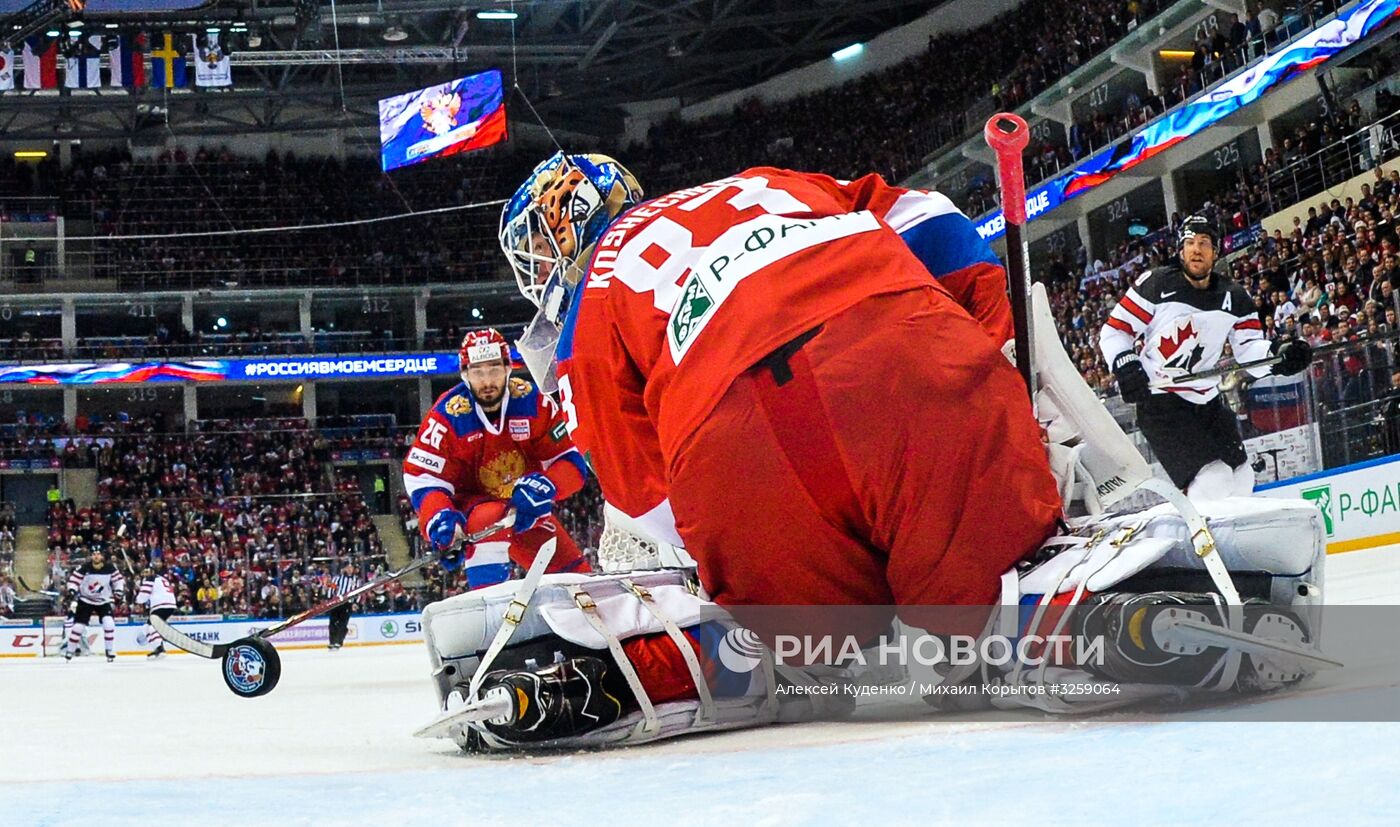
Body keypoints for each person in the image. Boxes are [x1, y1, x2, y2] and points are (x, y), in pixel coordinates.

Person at [470, 153, 1060, 739]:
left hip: (740, 448)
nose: (541, 268)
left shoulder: (590, 302)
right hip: (915, 361)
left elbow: (641, 495)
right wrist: (992, 343)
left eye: (541, 249)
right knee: (979, 603)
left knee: (808, 653)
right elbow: (934, 220)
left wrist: (719, 574)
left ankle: (812, 657)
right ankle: (1021, 614)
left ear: (573, 223)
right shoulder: (768, 180)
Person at [1100, 214, 1312, 500]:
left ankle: (1232, 543)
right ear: (1180, 250)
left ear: (1216, 252)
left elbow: (1249, 350)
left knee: (1241, 476)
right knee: (1213, 478)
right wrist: (1125, 364)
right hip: (1161, 401)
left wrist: (1278, 355)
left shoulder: (1234, 296)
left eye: (1203, 243)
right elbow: (1114, 332)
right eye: (1189, 243)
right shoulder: (1157, 283)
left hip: (1206, 401)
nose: (1196, 249)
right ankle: (1201, 544)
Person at [402, 328, 592, 591]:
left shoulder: (533, 403)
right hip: (476, 512)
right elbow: (423, 478)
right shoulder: (446, 417)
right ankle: (488, 604)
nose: (487, 380)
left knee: (580, 581)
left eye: (494, 369)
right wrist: (440, 517)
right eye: (478, 372)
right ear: (465, 374)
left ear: (508, 368)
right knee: (487, 516)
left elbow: (571, 462)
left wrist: (547, 486)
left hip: (525, 509)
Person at [65, 550, 125, 662]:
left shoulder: (110, 567)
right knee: (78, 627)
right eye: (94, 554)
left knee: (109, 624)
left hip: (103, 600)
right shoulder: (84, 567)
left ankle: (109, 650)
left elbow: (119, 581)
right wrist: (72, 589)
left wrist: (118, 591)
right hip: (85, 600)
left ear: (102, 556)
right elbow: (73, 580)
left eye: (98, 554)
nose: (96, 556)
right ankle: (69, 651)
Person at [136, 561, 177, 658]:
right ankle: (157, 647)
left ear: (152, 571)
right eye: (144, 572)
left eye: (147, 571)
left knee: (152, 627)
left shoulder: (150, 579)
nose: (145, 573)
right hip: (169, 604)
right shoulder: (162, 578)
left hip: (160, 605)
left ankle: (160, 649)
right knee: (146, 627)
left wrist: (138, 598)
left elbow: (142, 598)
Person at [325, 564, 359, 650]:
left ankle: (338, 642)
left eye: (351, 567)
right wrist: (329, 600)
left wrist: (355, 603)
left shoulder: (356, 580)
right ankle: (332, 642)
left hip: (347, 603)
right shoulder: (337, 578)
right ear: (344, 568)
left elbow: (357, 592)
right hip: (336, 602)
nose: (349, 569)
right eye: (348, 567)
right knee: (333, 622)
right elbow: (332, 589)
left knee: (343, 623)